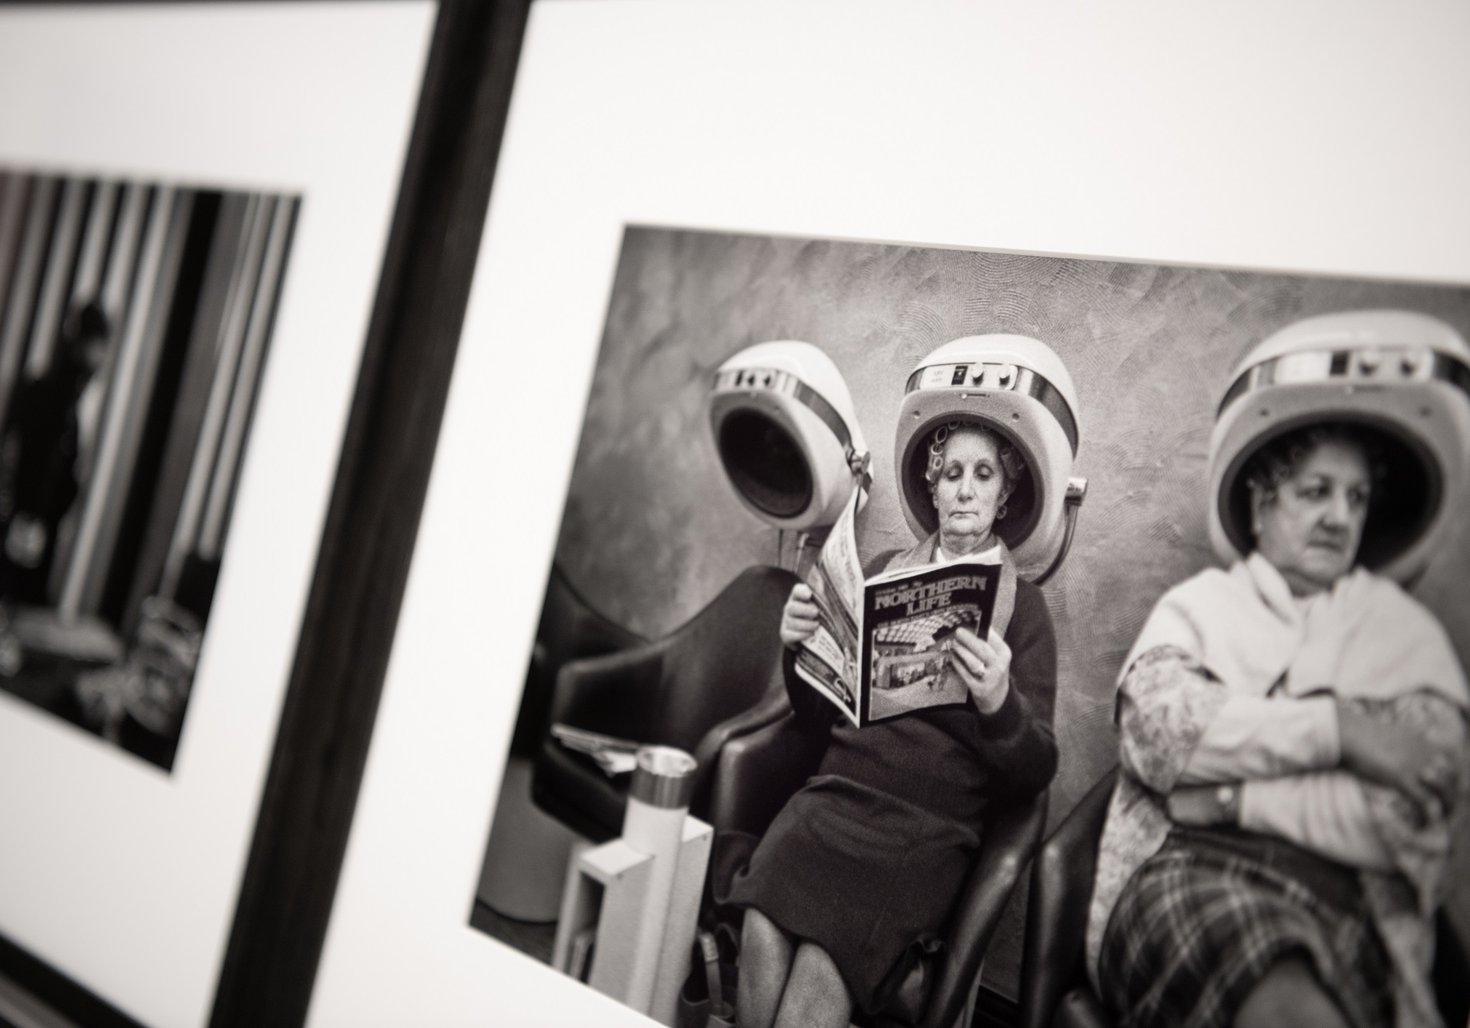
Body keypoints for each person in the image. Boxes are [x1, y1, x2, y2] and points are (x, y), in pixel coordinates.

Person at [1088, 311, 1470, 1028]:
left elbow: (1412, 811)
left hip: (1352, 905)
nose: (1339, 517)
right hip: (1187, 874)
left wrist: (1236, 799)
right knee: (1283, 995)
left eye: (1356, 498)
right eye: (1315, 490)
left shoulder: (1402, 632)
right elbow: (1161, 735)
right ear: (1262, 501)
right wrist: (1341, 732)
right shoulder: (1200, 604)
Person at [723, 335, 1083, 1028]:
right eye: (952, 473)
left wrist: (999, 702)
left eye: (983, 474)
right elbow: (818, 711)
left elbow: (1036, 770)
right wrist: (798, 649)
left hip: (923, 832)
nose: (966, 489)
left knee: (822, 972)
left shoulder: (1024, 607)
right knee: (763, 926)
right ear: (932, 483)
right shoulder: (884, 570)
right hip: (836, 797)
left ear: (1006, 490)